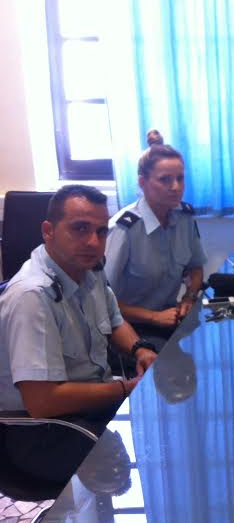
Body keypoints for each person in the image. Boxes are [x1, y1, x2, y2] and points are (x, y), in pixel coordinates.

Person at [0, 185, 158, 483]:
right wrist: (125, 389)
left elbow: (114, 322)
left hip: (88, 405)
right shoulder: (32, 296)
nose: (93, 242)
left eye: (101, 232)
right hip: (41, 432)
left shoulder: (89, 270)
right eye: (80, 228)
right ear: (48, 231)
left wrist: (140, 349)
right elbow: (42, 401)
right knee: (150, 460)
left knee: (167, 419)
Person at [105, 129, 207, 346]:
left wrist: (189, 297)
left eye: (180, 178)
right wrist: (153, 317)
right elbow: (102, 300)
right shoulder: (124, 228)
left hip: (168, 317)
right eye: (165, 180)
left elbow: (196, 268)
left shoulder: (184, 218)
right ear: (142, 183)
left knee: (214, 341)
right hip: (128, 327)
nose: (176, 187)